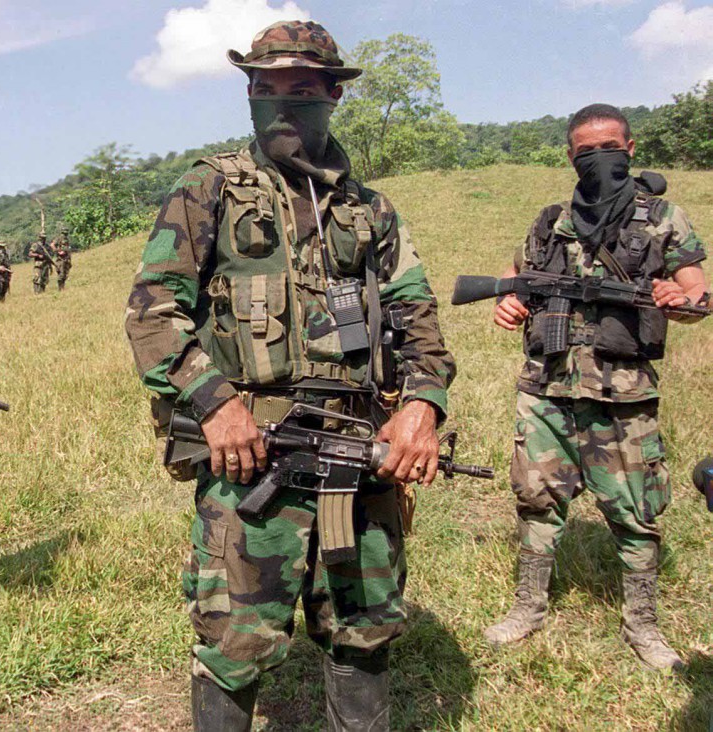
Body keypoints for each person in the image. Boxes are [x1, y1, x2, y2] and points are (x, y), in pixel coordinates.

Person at [124, 21, 455, 731]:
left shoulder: (371, 211)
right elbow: (152, 312)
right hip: (253, 457)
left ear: (333, 95)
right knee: (234, 642)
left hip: (360, 457)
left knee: (363, 629)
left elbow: (419, 318)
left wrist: (421, 407)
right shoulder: (207, 188)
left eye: (299, 90)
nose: (278, 105)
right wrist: (216, 406)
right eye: (262, 88)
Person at [484, 104, 709, 671]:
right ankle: (528, 609)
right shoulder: (549, 221)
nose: (597, 158)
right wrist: (509, 302)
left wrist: (681, 302)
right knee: (536, 501)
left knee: (637, 509)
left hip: (624, 393)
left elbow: (698, 290)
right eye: (586, 151)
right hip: (546, 388)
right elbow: (519, 280)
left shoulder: (662, 218)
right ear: (570, 155)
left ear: (630, 149)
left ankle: (643, 625)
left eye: (608, 147)